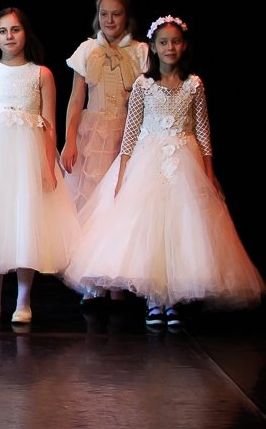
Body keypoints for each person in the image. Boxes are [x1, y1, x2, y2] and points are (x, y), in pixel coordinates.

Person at [64, 16, 264, 327]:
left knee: (180, 229)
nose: (170, 47)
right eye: (163, 42)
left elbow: (203, 133)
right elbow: (131, 134)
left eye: (175, 41)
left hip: (184, 162)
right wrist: (123, 174)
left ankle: (171, 301)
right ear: (154, 48)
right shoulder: (144, 85)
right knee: (151, 230)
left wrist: (208, 174)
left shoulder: (193, 85)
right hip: (148, 161)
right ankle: (154, 301)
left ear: (184, 46)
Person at [0, 8, 80, 324]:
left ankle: (23, 302)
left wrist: (47, 167)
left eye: (15, 30)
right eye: (3, 31)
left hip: (28, 158)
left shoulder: (41, 74)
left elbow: (50, 125)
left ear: (25, 33)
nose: (9, 36)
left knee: (27, 222)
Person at [60, 0, 149, 249]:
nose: (109, 20)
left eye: (116, 14)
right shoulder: (88, 50)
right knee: (90, 194)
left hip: (128, 132)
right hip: (94, 131)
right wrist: (70, 140)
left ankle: (114, 261)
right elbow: (76, 100)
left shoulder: (140, 51)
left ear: (127, 16)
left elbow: (148, 98)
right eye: (104, 14)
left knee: (121, 195)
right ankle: (87, 263)